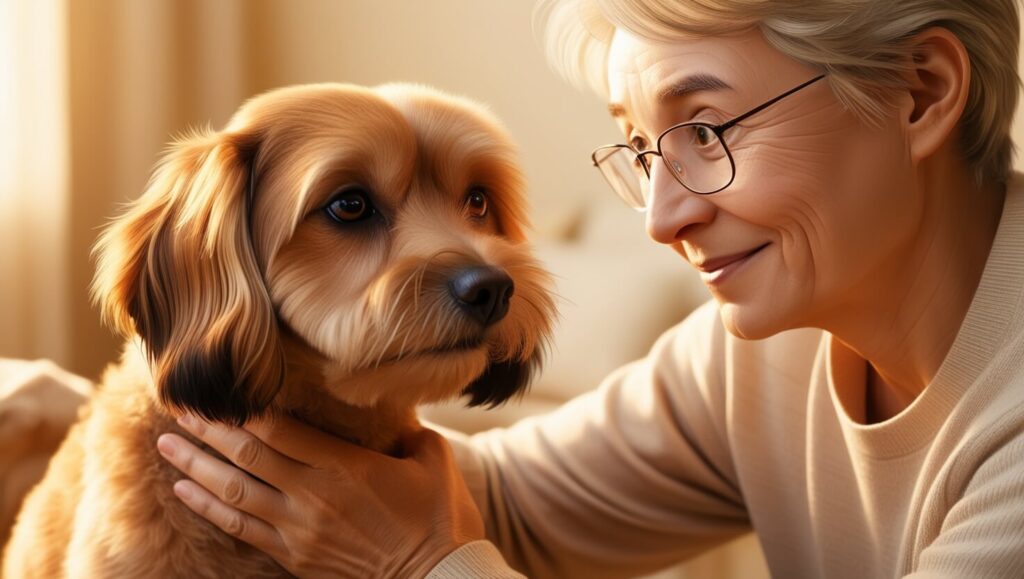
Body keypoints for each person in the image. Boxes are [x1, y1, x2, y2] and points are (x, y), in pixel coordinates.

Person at [11, 0, 1024, 576]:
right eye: (641, 147)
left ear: (919, 92)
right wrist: (87, 420)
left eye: (705, 131)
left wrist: (420, 567)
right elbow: (505, 500)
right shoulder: (764, 351)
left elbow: (429, 534)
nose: (660, 217)